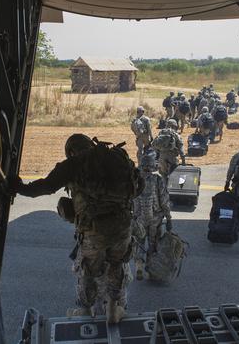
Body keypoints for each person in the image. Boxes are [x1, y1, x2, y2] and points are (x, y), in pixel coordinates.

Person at [10, 134, 141, 324]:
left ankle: (86, 311)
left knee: (87, 269)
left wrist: (19, 188)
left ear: (71, 151)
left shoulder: (74, 164)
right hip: (123, 226)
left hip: (93, 231)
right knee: (117, 264)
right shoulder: (115, 157)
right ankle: (113, 308)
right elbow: (139, 185)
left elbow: (45, 187)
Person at [132, 155, 172, 280]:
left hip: (140, 219)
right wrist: (169, 218)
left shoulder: (134, 180)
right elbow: (164, 200)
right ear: (152, 166)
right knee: (153, 243)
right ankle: (151, 269)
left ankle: (139, 266)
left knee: (139, 242)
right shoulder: (158, 179)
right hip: (155, 219)